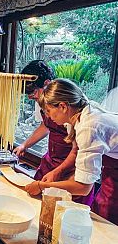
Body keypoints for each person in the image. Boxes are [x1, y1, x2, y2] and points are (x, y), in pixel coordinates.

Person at [25, 79, 118, 224]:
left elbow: (83, 187)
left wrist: (41, 186)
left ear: (62, 106)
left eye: (49, 111)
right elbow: (75, 150)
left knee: (107, 216)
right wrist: (57, 171)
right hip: (113, 162)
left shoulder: (89, 127)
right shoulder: (74, 117)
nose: (48, 117)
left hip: (115, 166)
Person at [13, 60, 93, 206]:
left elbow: (83, 183)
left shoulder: (78, 116)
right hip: (52, 160)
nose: (31, 96)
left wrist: (58, 172)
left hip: (73, 166)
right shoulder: (48, 104)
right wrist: (25, 145)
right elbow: (46, 126)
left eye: (33, 91)